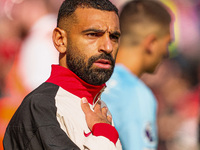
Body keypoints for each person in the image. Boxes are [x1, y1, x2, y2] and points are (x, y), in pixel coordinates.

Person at [3, 0, 122, 149]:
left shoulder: (100, 107)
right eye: (92, 34)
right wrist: (104, 134)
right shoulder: (41, 107)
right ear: (60, 40)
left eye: (114, 37)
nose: (108, 47)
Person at [101, 0, 173, 150]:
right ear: (151, 43)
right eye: (167, 43)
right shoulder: (136, 94)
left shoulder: (91, 80)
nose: (167, 53)